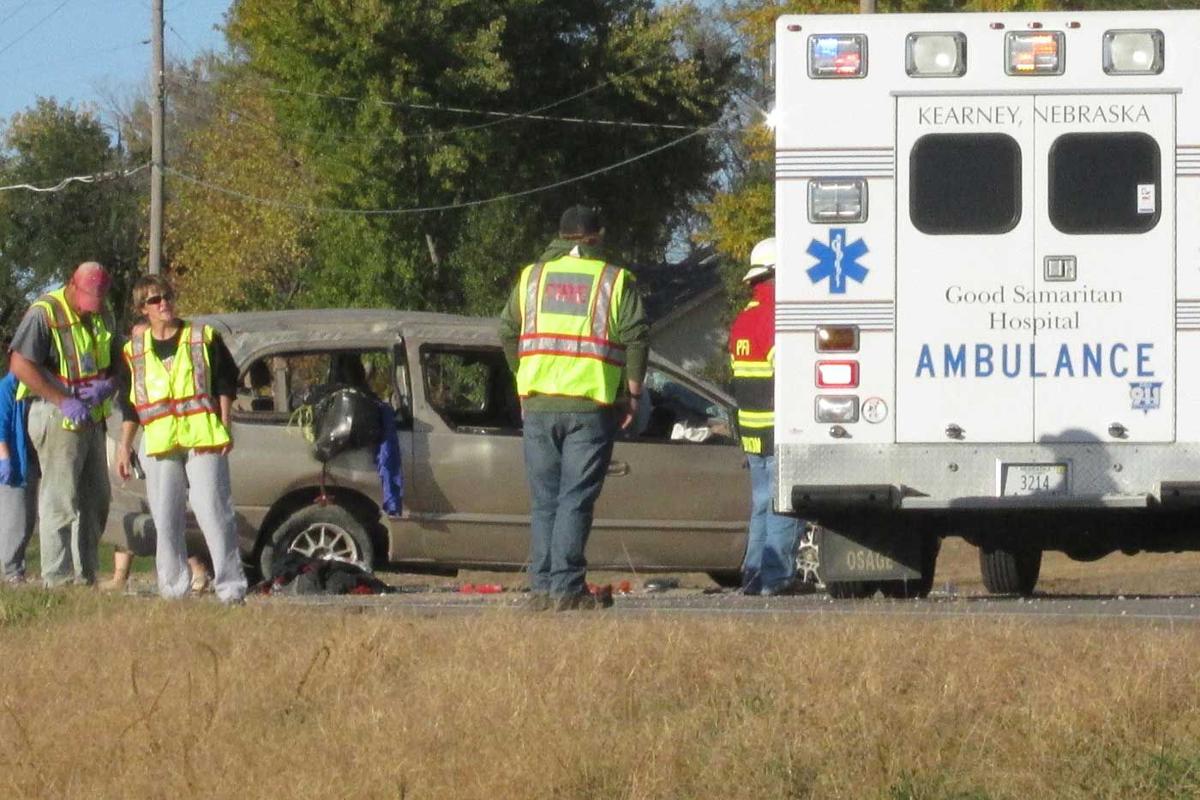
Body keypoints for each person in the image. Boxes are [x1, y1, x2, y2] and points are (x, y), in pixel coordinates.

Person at [499, 204, 648, 611]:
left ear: (559, 237)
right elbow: (636, 336)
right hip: (589, 406)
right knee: (575, 499)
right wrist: (633, 394)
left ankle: (542, 590)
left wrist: (523, 381)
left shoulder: (532, 277)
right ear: (596, 237)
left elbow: (507, 331)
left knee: (544, 500)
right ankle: (567, 589)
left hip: (539, 405)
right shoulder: (614, 280)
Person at [114, 275, 247, 604]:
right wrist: (124, 446)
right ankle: (173, 591)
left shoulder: (203, 337)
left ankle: (231, 590)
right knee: (165, 516)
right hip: (159, 441)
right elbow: (131, 406)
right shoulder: (133, 352)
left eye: (168, 296)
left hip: (203, 435)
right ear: (142, 309)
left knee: (214, 512)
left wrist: (226, 424)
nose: (164, 304)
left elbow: (225, 385)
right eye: (155, 300)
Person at [8, 261, 121, 587]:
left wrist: (108, 386)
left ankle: (85, 578)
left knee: (96, 500)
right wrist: (63, 401)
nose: (90, 310)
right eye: (87, 302)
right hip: (56, 413)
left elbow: (118, 363)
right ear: (72, 285)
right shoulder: (44, 313)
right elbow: (19, 364)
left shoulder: (105, 314)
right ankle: (57, 580)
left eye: (97, 303)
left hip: (93, 417)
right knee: (60, 501)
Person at [101, 319, 213, 594]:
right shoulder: (130, 371)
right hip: (141, 450)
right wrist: (124, 448)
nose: (139, 344)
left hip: (171, 445)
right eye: (135, 339)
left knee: (174, 513)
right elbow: (127, 412)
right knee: (143, 510)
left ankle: (197, 571)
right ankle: (122, 576)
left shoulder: (169, 364)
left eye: (145, 338)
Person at [729, 237, 802, 595]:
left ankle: (754, 576)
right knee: (782, 503)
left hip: (751, 430)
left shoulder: (743, 320)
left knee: (761, 504)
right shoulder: (781, 320)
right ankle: (777, 578)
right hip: (778, 428)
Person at [0, 370, 38, 584]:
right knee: (14, 520)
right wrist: (4, 459)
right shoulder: (7, 387)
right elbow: (1, 425)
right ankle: (10, 572)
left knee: (27, 520)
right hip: (12, 464)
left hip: (28, 462)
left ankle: (16, 570)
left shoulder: (31, 386)